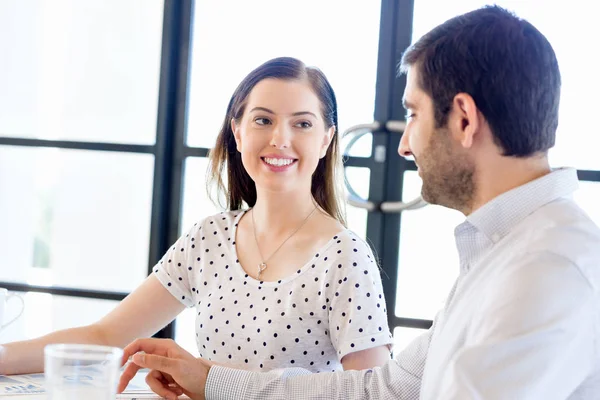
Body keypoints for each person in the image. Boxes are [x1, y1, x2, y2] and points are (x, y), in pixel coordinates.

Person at [117, 5, 600, 400]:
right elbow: (382, 389)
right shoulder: (503, 251)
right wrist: (212, 382)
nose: (404, 145)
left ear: (464, 120)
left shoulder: (547, 267)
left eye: (413, 114)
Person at [0, 57, 393, 376]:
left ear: (326, 140)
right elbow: (106, 334)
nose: (280, 139)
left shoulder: (345, 257)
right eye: (263, 120)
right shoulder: (210, 237)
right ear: (237, 133)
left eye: (302, 124)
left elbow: (371, 393)